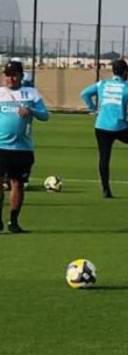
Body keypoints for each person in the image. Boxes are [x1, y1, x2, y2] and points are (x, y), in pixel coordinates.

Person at [81, 58, 128, 198]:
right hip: (120, 126)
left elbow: (84, 93)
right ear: (124, 72)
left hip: (101, 126)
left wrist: (93, 109)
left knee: (104, 158)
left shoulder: (103, 83)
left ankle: (106, 190)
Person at [0, 60, 50, 233]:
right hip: (1, 146)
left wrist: (31, 111)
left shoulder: (31, 94)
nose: (10, 79)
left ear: (21, 76)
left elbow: (45, 115)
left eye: (14, 75)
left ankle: (13, 221)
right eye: (7, 75)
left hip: (22, 148)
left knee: (18, 184)